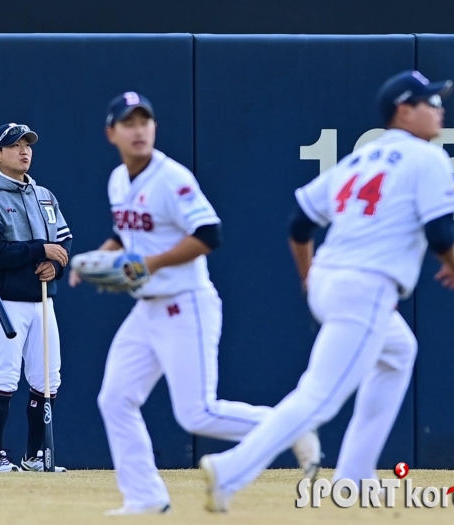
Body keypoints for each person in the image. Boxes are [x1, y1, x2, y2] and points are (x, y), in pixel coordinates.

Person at [200, 70, 454, 512]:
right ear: (404, 110)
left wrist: (308, 276)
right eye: (429, 102)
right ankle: (230, 469)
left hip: (330, 278)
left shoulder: (358, 160)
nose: (439, 108)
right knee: (318, 396)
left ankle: (355, 477)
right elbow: (439, 231)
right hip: (367, 285)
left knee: (399, 352)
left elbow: (300, 222)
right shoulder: (426, 158)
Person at [69, 92, 321, 515]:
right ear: (111, 133)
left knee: (198, 414)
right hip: (146, 309)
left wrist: (150, 262)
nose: (139, 129)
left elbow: (209, 235)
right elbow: (126, 234)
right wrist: (104, 253)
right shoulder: (118, 180)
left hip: (186, 303)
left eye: (144, 121)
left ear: (154, 127)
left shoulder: (172, 178)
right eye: (128, 123)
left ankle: (289, 426)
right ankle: (145, 496)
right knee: (114, 398)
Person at [0, 123, 72, 473]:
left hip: (42, 299)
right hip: (5, 300)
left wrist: (54, 265)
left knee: (48, 378)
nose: (24, 150)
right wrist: (39, 251)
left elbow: (64, 242)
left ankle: (35, 457)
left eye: (27, 144)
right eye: (14, 145)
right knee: (4, 376)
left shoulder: (44, 195)